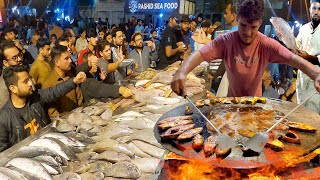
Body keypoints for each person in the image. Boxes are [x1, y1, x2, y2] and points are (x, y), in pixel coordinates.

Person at [171, 0, 320, 97]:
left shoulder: (266, 44)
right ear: (237, 20)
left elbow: (292, 58)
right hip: (230, 103)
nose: (248, 33)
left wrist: (315, 73)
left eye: (253, 27)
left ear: (260, 23)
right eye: (243, 25)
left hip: (255, 105)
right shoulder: (226, 41)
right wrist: (181, 71)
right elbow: (200, 54)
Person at [0, 65, 86, 151]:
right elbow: (3, 153)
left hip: (50, 146)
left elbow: (54, 92)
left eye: (29, 79)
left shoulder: (36, 97)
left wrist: (74, 81)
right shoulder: (4, 118)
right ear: (13, 88)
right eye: (25, 81)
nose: (30, 83)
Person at [42, 45, 85, 118]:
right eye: (66, 59)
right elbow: (53, 114)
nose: (70, 61)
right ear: (57, 62)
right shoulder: (48, 84)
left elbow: (79, 100)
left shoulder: (71, 76)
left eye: (70, 57)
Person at [295, 0, 320, 114]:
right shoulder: (303, 28)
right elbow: (296, 46)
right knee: (300, 115)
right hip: (301, 81)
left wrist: (309, 57)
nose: (316, 12)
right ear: (310, 10)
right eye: (314, 8)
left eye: (319, 9)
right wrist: (285, 38)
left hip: (316, 82)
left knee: (313, 116)